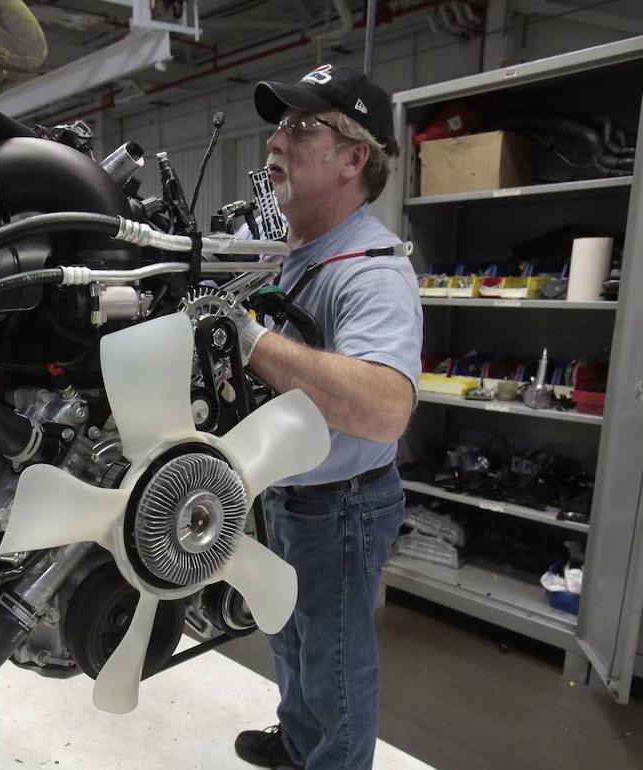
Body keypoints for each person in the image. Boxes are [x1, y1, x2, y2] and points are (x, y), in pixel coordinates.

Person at [228, 64, 423, 770]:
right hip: (289, 490)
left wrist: (250, 342)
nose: (276, 141)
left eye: (301, 127)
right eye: (279, 126)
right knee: (288, 632)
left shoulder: (371, 270)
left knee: (334, 660)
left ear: (353, 158)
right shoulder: (294, 251)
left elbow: (384, 407)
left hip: (342, 504)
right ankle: (298, 742)